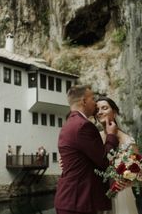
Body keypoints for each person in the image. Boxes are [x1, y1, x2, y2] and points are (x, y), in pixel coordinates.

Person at [54, 85, 120, 214]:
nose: (95, 104)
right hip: (78, 203)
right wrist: (111, 135)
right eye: (93, 99)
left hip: (70, 201)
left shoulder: (69, 123)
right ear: (84, 101)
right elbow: (104, 161)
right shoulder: (83, 126)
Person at [96, 96, 139, 214]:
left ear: (114, 112)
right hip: (99, 194)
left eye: (104, 108)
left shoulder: (128, 141)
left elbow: (140, 172)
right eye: (97, 110)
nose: (100, 112)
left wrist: (128, 180)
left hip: (121, 195)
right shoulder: (95, 138)